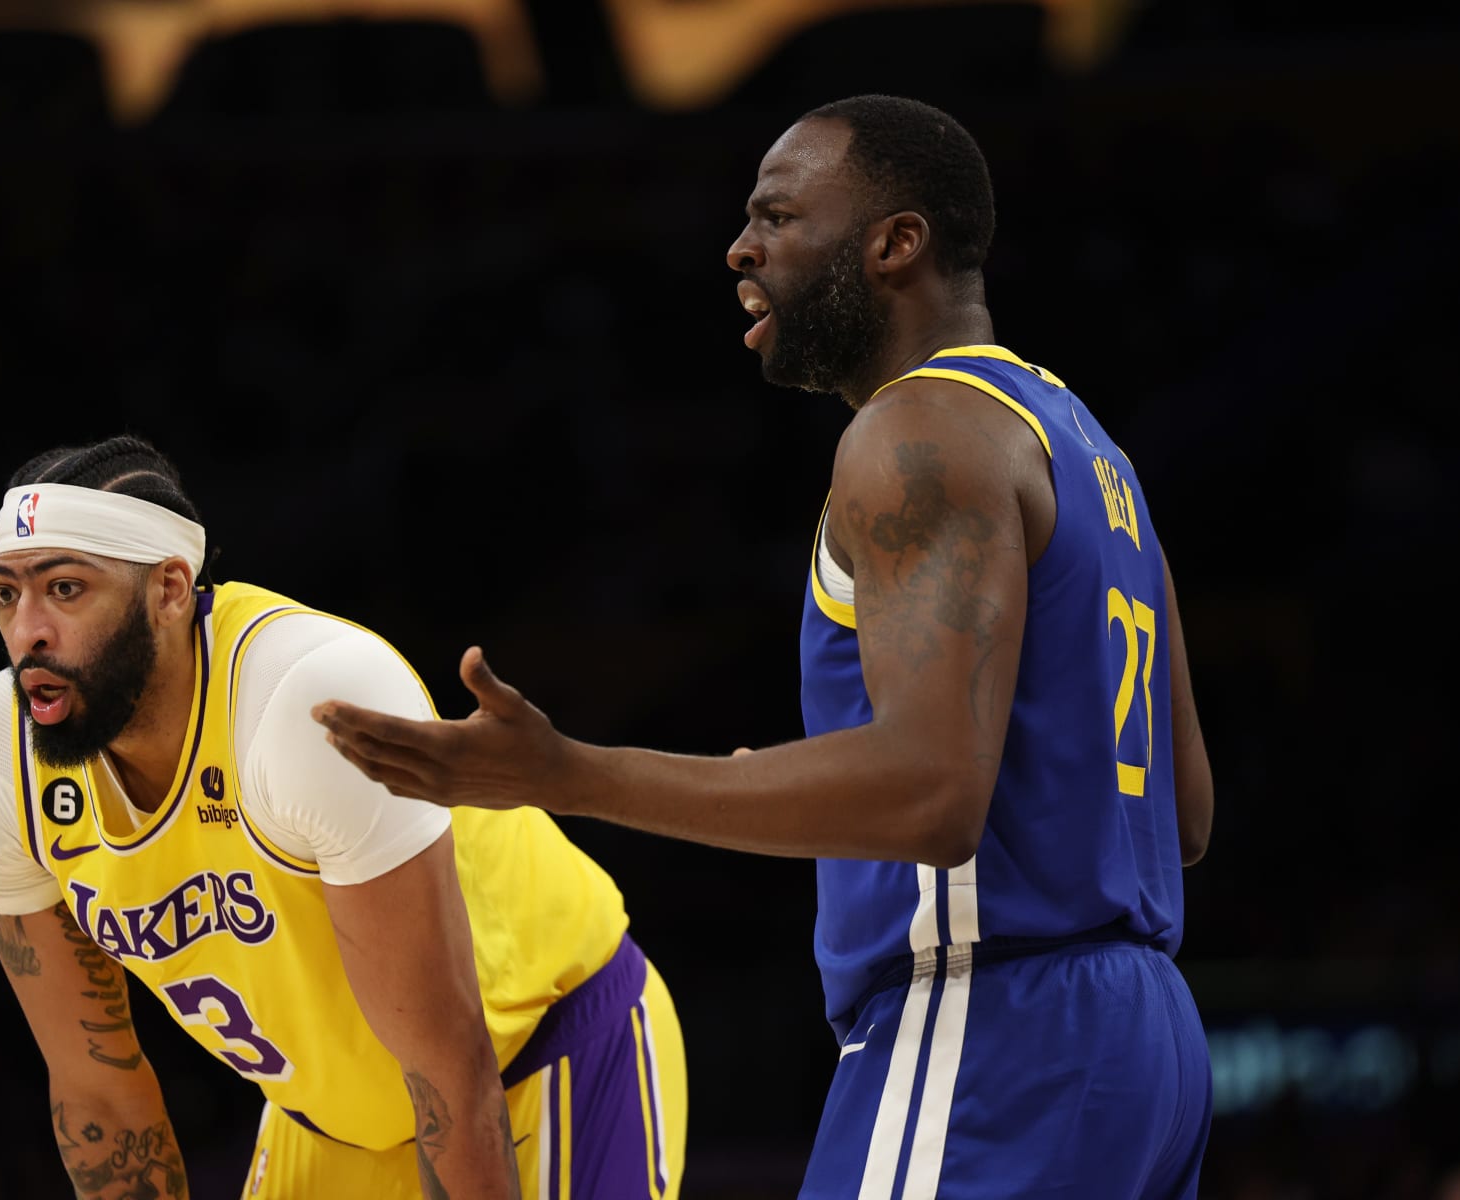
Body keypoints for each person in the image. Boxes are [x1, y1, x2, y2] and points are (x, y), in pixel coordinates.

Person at [313, 93, 1216, 1199]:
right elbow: (1187, 813)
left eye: (780, 217)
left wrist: (571, 776)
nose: (742, 247)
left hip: (990, 1035)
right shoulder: (1089, 448)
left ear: (896, 243)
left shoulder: (912, 434)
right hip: (1147, 1045)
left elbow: (931, 795)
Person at [0, 434, 686, 1200]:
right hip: (327, 1122)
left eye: (65, 590)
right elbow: (98, 1093)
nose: (27, 634)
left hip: (538, 1061)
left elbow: (449, 1066)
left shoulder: (305, 704)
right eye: (5, 594)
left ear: (171, 589)